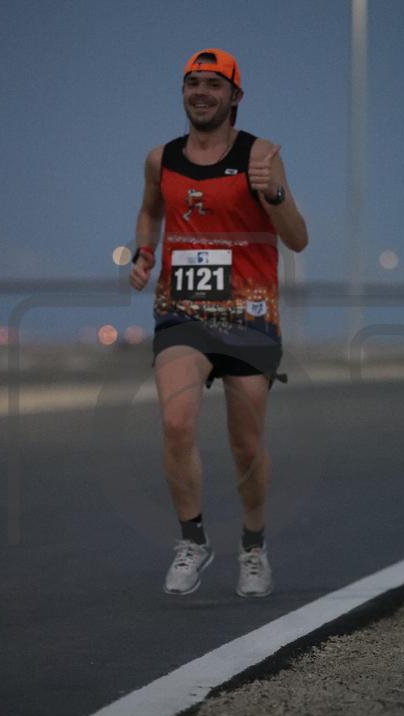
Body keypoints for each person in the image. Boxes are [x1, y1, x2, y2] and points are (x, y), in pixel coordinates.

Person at [130, 48, 308, 598]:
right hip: (183, 313)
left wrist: (272, 191)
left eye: (213, 84)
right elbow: (151, 210)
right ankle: (192, 540)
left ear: (235, 95)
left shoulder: (260, 155)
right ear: (183, 92)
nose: (201, 93)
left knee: (245, 444)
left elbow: (297, 238)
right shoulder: (161, 159)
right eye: (192, 84)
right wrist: (144, 252)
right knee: (176, 422)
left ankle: (253, 547)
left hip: (249, 314)